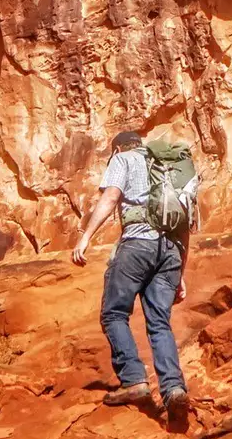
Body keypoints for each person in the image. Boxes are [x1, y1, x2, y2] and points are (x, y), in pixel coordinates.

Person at [71, 130, 198, 423]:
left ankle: (135, 381)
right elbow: (184, 223)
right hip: (171, 251)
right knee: (159, 323)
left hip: (137, 246)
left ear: (117, 149)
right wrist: (181, 273)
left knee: (114, 314)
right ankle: (174, 389)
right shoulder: (169, 169)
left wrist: (85, 237)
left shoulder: (123, 159)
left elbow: (112, 196)